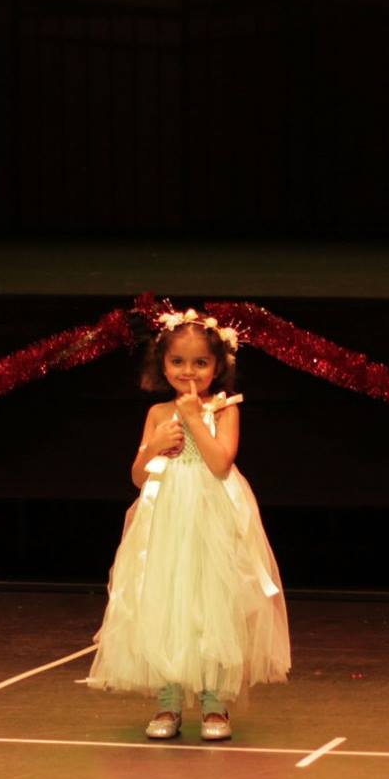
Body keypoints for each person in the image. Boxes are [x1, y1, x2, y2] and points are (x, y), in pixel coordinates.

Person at [89, 309, 290, 741]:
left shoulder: (225, 408)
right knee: (168, 601)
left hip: (211, 516)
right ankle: (169, 701)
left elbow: (220, 463)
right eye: (178, 361)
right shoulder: (157, 412)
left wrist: (196, 418)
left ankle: (215, 703)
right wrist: (155, 446)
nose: (189, 372)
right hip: (167, 518)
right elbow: (139, 477)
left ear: (218, 366)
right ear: (162, 364)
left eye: (200, 363)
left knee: (210, 603)